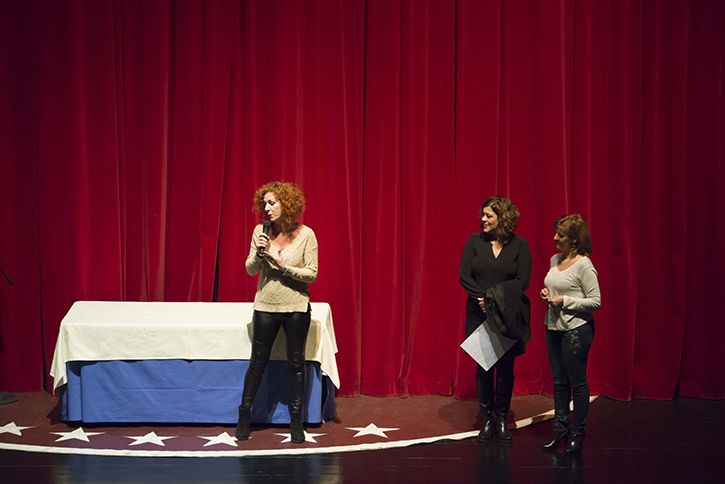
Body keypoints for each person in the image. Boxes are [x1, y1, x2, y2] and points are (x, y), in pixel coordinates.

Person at [236, 182, 318, 444]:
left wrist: (284, 267)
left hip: (295, 307)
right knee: (257, 363)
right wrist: (261, 254)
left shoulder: (306, 234)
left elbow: (312, 274)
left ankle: (296, 421)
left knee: (296, 365)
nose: (267, 208)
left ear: (287, 204)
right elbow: (250, 269)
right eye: (265, 203)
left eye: (273, 203)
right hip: (265, 307)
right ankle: (244, 416)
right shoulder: (260, 232)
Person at [460, 197, 532, 443]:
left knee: (506, 368)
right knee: (483, 367)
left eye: (489, 216)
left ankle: (501, 417)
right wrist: (483, 299)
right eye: (483, 215)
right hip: (479, 313)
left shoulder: (520, 244)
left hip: (507, 314)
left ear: (503, 218)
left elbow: (523, 281)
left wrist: (495, 299)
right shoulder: (474, 241)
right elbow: (465, 276)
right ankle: (487, 419)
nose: (483, 219)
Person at [540, 214, 601, 454]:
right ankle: (560, 428)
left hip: (576, 329)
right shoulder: (556, 258)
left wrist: (564, 300)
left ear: (574, 240)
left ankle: (577, 432)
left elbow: (595, 301)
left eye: (561, 235)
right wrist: (547, 293)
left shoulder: (584, 264)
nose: (555, 238)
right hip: (553, 327)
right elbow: (555, 285)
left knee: (577, 382)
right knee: (558, 382)